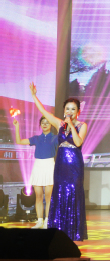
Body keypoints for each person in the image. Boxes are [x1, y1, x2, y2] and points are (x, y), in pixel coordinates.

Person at [29, 82, 88, 241]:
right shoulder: (58, 124)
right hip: (61, 165)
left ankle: (74, 231)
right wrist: (34, 96)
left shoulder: (82, 125)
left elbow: (78, 142)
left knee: (73, 193)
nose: (70, 111)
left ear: (78, 112)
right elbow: (43, 111)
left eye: (73, 109)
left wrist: (71, 125)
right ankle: (60, 229)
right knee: (60, 193)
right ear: (64, 111)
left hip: (75, 165)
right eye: (67, 109)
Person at [12, 116, 58, 229]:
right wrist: (17, 127)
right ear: (40, 125)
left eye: (47, 122)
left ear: (51, 125)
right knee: (38, 196)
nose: (45, 124)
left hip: (49, 165)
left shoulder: (55, 138)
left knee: (49, 196)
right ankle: (39, 221)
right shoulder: (36, 138)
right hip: (38, 166)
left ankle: (47, 221)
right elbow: (19, 141)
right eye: (43, 122)